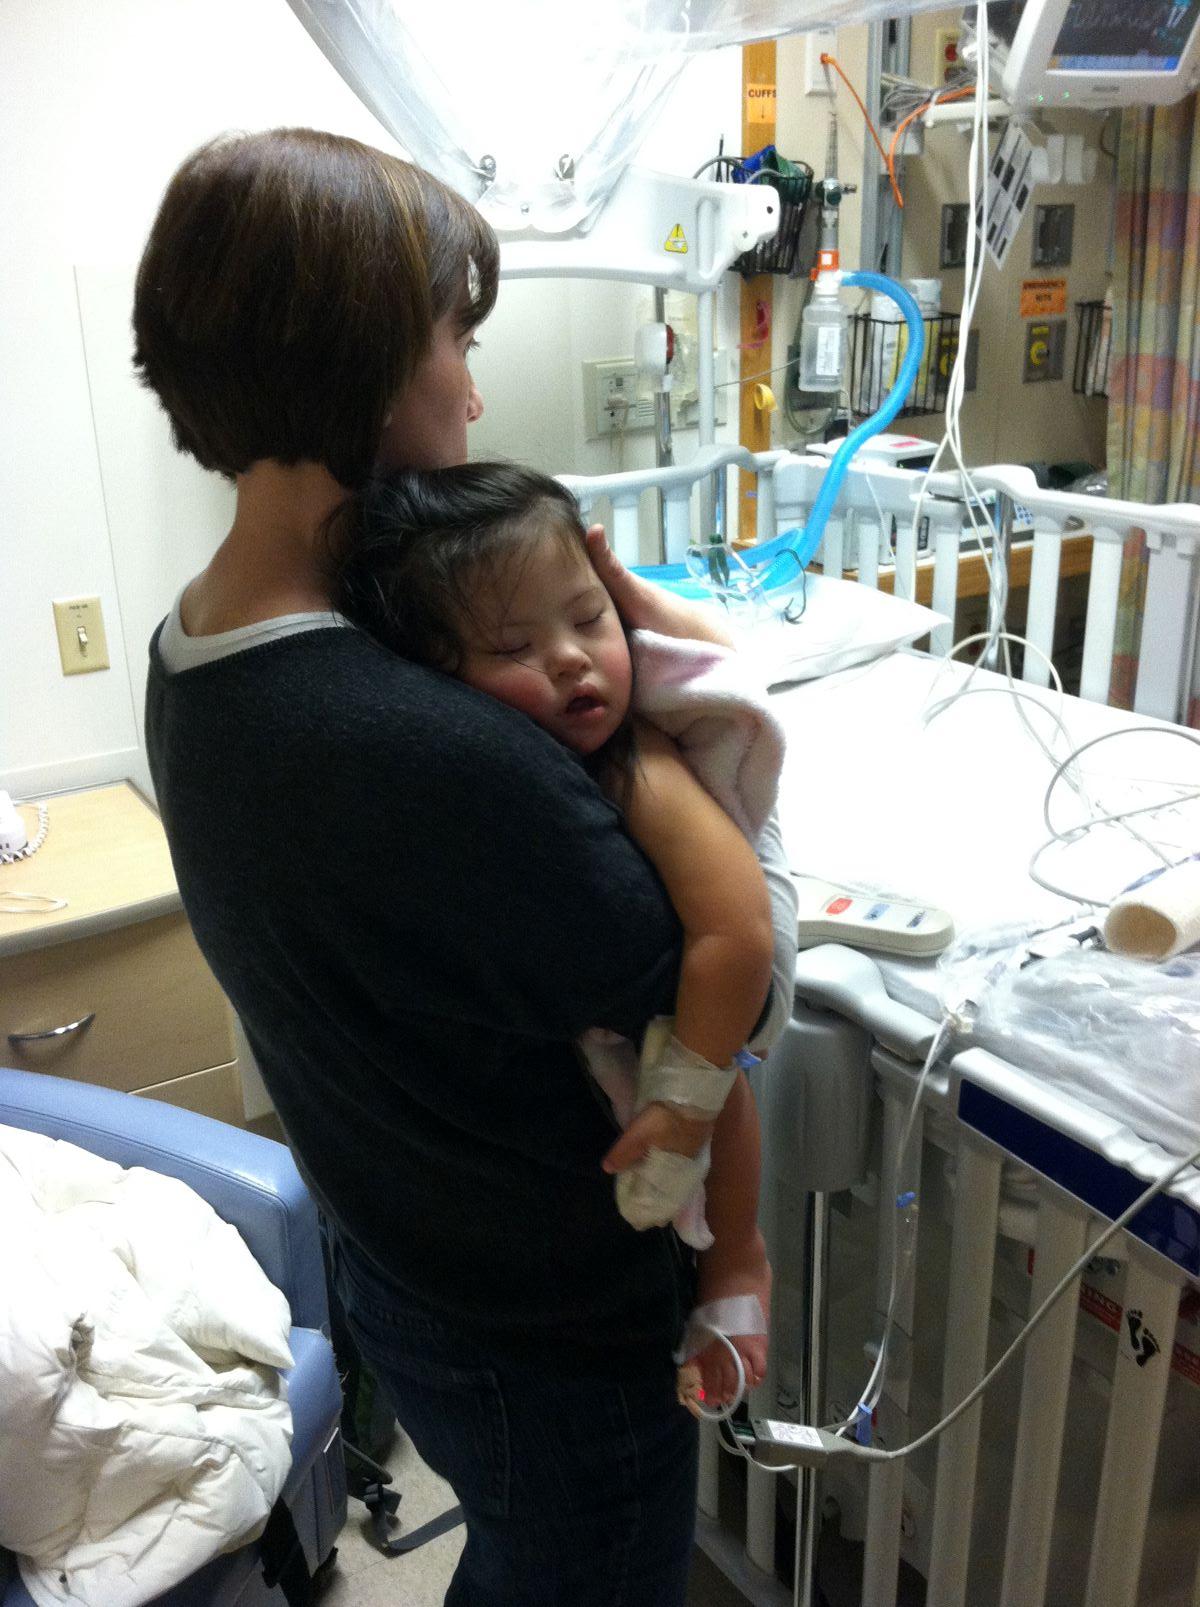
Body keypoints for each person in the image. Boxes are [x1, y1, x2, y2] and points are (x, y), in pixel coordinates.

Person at [134, 126, 797, 1606]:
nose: (476, 385)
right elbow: (737, 979)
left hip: (407, 1259)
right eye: (458, 336)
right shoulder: (414, 744)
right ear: (366, 361)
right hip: (545, 1330)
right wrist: (682, 753)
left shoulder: (196, 649)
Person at [330, 460, 784, 1404]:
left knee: (725, 1088)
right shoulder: (481, 766)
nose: (574, 658)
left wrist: (688, 1096)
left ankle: (739, 1262)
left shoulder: (634, 763)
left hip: (706, 1006)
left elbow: (738, 935)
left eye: (589, 619)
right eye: (515, 644)